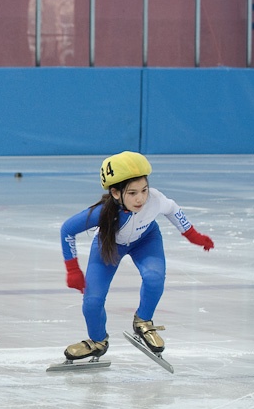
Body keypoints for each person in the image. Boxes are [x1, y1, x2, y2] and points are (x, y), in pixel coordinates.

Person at [60, 151, 214, 360]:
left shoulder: (155, 199)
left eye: (144, 190)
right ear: (116, 193)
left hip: (145, 240)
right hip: (110, 245)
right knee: (92, 301)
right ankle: (97, 341)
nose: (141, 198)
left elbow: (173, 210)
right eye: (132, 193)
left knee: (154, 278)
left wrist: (193, 235)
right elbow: (67, 229)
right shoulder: (103, 212)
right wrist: (72, 269)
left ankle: (143, 321)